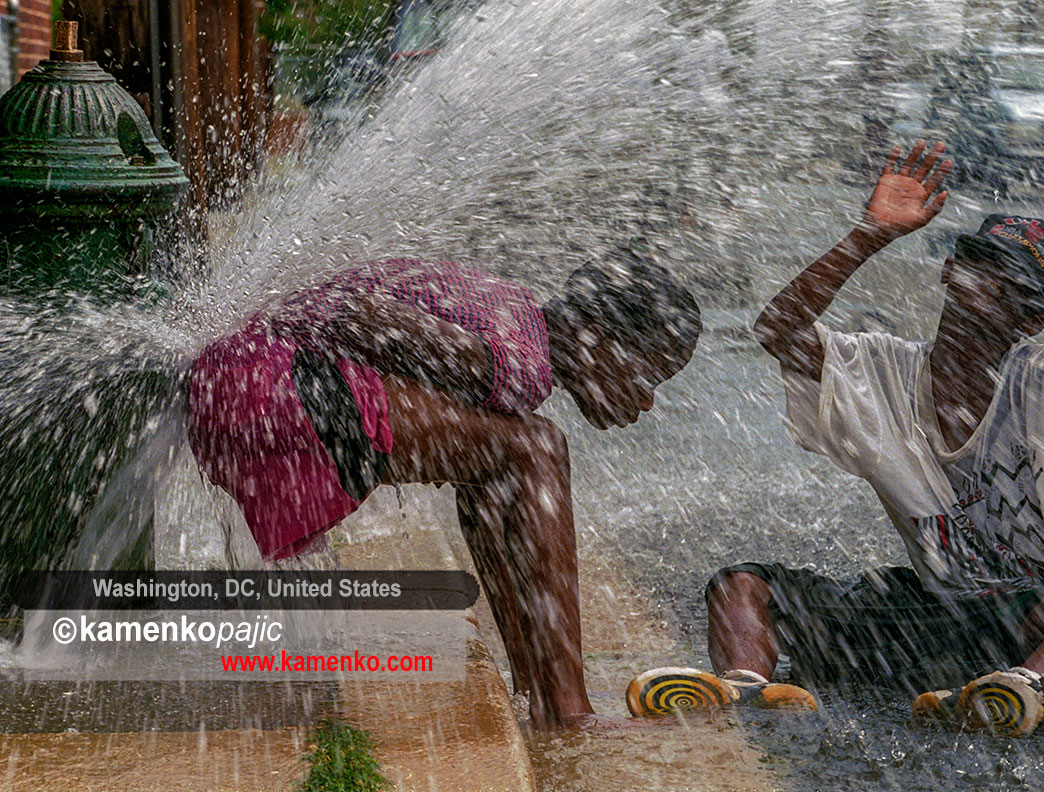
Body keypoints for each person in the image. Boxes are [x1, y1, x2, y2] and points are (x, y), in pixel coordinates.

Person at [626, 142, 1044, 737]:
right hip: (938, 617)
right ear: (949, 271)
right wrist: (870, 233)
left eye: (1006, 278)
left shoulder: (1042, 375)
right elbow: (778, 331)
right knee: (740, 584)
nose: (982, 281)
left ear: (1030, 317)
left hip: (1037, 617)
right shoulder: (883, 368)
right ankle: (747, 690)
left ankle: (1023, 689)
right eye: (975, 261)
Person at [187, 246, 702, 730]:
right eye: (646, 375)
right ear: (595, 337)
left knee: (503, 459)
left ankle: (535, 686)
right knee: (539, 446)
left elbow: (487, 492)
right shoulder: (517, 362)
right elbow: (362, 315)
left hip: (241, 382)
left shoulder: (513, 316)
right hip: (267, 387)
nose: (646, 400)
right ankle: (569, 711)